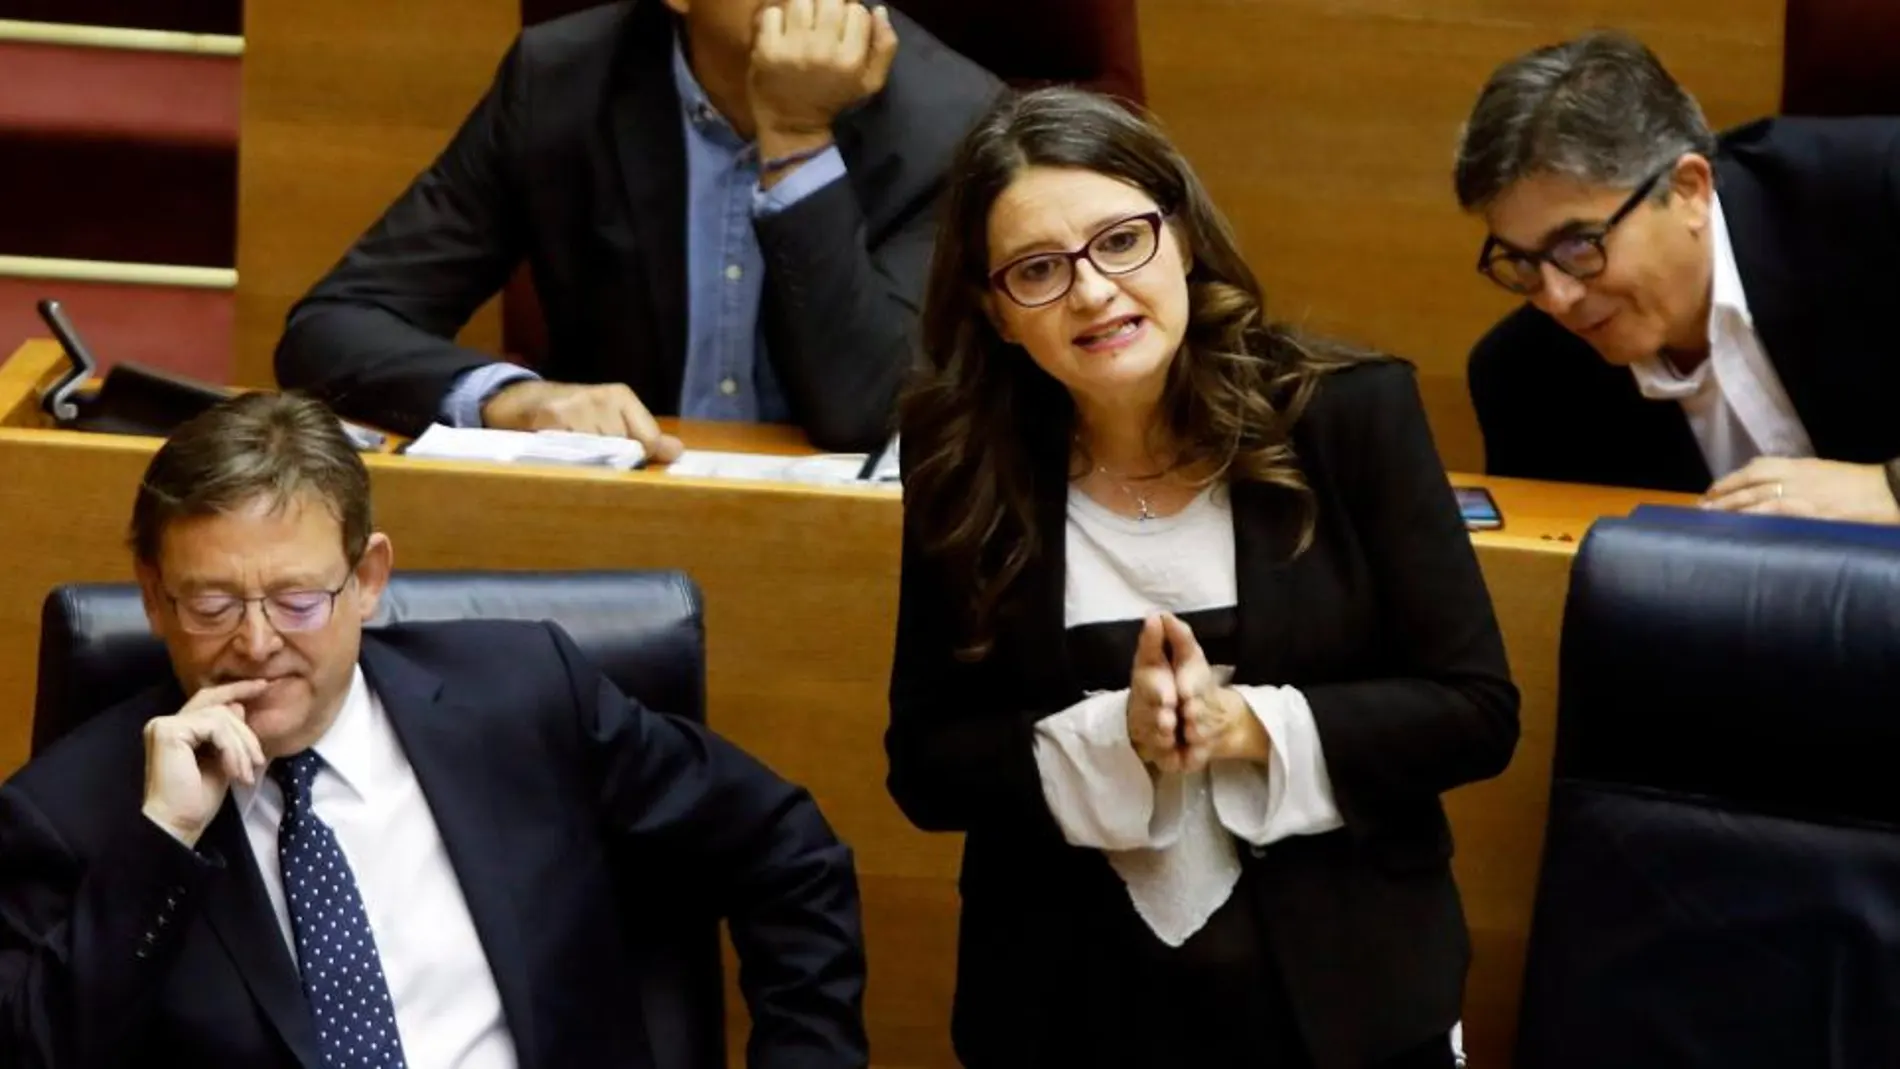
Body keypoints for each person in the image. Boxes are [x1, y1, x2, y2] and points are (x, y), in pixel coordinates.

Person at [887, 87, 1520, 1069]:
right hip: (1066, 1008)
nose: (1093, 292)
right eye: (1039, 270)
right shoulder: (958, 455)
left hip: (1350, 995)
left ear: (1181, 238)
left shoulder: (1350, 416)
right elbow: (925, 764)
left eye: (1121, 241)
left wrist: (1246, 726)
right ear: (995, 311)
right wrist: (1115, 738)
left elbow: (1475, 709)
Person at [0, 392, 868, 1067]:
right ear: (154, 595)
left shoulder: (522, 699)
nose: (256, 642)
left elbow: (787, 851)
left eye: (299, 599)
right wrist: (163, 844)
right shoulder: (70, 815)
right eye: (212, 602)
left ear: (369, 577)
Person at [275, 0, 1000, 456]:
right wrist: (507, 398)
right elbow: (335, 326)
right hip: (619, 514)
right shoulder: (563, 81)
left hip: (842, 543)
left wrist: (799, 136)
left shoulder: (953, 123)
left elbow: (863, 410)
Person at [1455, 31, 1900, 523]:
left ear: (1689, 189)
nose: (1556, 298)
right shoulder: (1527, 379)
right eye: (1521, 261)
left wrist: (1890, 487)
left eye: (1580, 244)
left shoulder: (1879, 192)